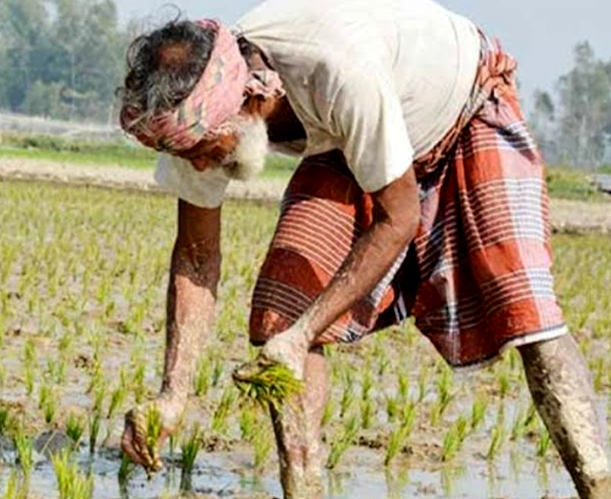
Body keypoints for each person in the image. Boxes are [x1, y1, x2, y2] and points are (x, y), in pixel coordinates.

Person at [116, 1, 611, 497]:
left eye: (206, 152)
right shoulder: (191, 121)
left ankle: (597, 480)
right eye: (191, 155)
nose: (201, 168)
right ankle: (303, 486)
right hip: (347, 144)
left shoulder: (336, 66)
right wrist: (172, 395)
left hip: (462, 107)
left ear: (249, 100)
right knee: (281, 314)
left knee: (522, 302)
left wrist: (306, 331)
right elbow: (197, 257)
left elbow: (400, 218)